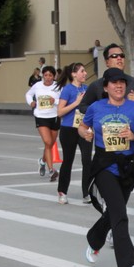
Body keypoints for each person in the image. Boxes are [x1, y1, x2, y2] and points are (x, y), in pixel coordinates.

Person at [79, 67, 134, 267]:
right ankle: (129, 265)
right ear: (106, 87)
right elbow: (82, 127)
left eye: (122, 82)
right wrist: (85, 134)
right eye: (114, 82)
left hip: (127, 167)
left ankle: (94, 239)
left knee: (113, 212)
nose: (119, 86)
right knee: (120, 214)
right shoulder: (96, 107)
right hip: (104, 165)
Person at [78, 44, 134, 114]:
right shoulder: (96, 85)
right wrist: (100, 109)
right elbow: (83, 106)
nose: (119, 58)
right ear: (107, 62)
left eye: (122, 55)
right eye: (114, 56)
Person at [55, 62, 91, 204]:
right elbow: (59, 112)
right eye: (82, 71)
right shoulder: (67, 90)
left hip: (85, 128)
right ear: (74, 74)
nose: (85, 73)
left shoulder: (87, 89)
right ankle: (62, 191)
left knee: (87, 160)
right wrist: (76, 102)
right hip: (69, 129)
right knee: (68, 160)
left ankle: (87, 193)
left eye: (85, 71)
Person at [26, 64, 62, 180]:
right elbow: (28, 94)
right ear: (43, 76)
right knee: (47, 142)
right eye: (45, 75)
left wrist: (54, 101)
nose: (48, 77)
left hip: (54, 116)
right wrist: (31, 102)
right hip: (41, 116)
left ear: (54, 76)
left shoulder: (58, 86)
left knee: (50, 144)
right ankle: (51, 170)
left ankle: (42, 161)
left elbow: (63, 100)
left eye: (50, 75)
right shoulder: (37, 85)